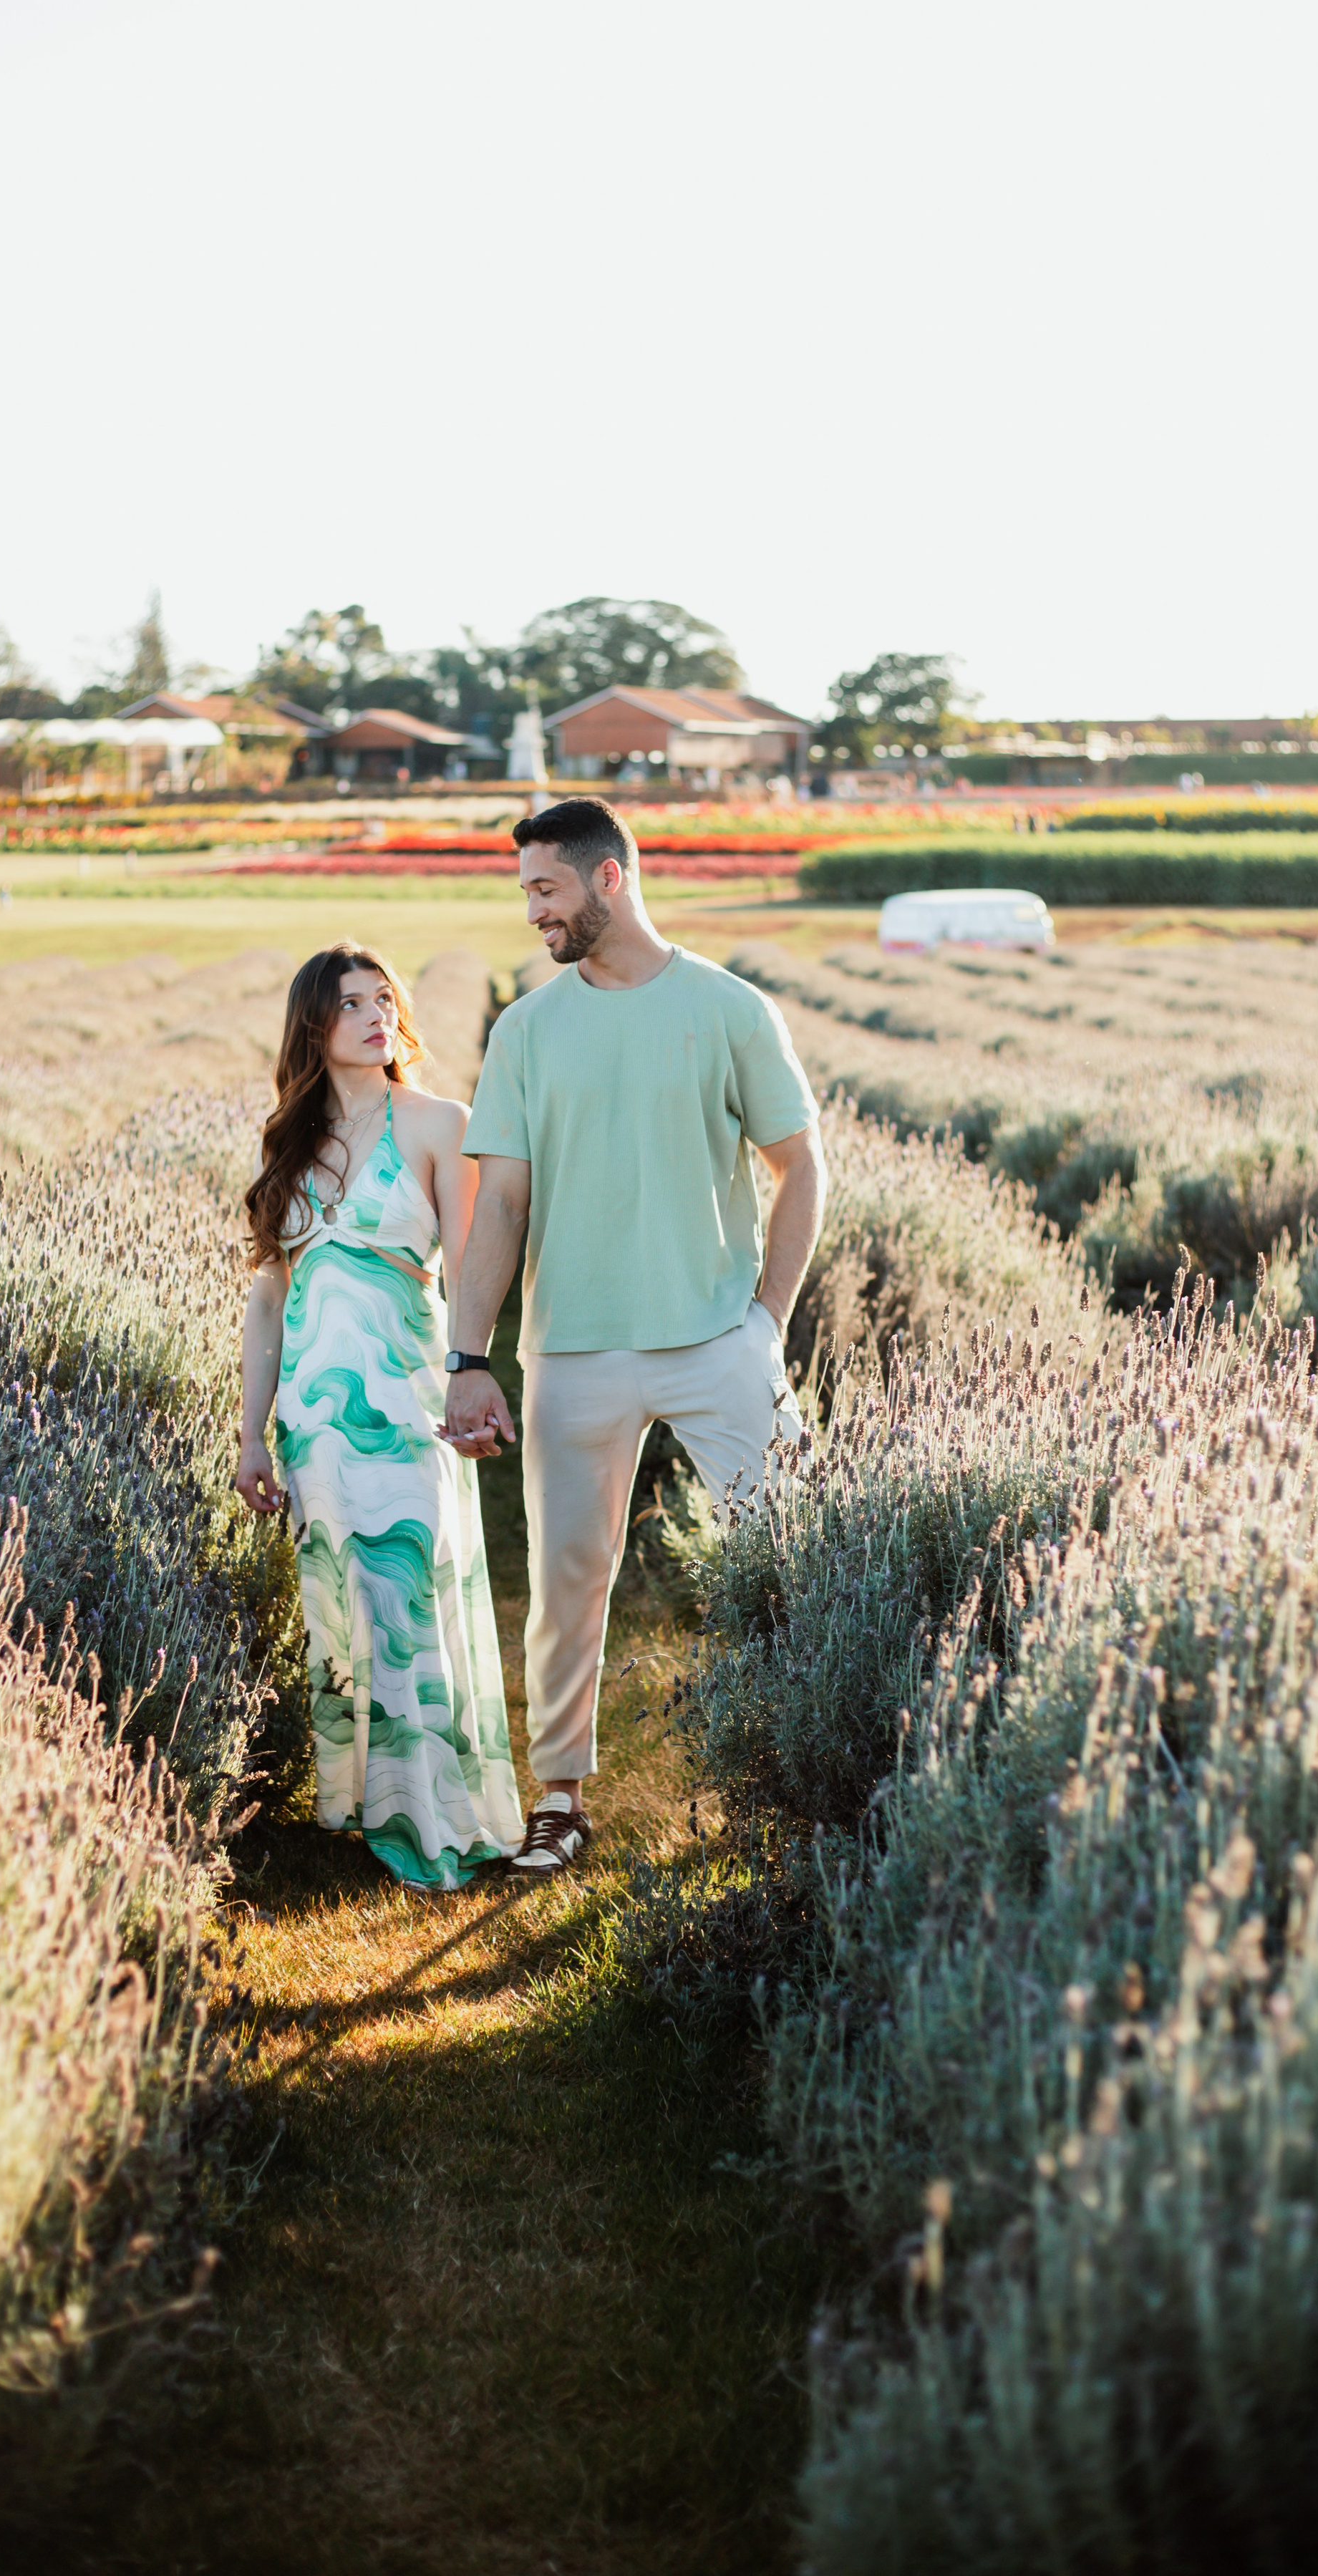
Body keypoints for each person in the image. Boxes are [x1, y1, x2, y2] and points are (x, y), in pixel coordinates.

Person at [445, 798, 824, 1877]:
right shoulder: (526, 1031)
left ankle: (810, 1773)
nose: (533, 911)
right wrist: (468, 1358)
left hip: (718, 1343)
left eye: (546, 888)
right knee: (567, 1582)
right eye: (526, 891)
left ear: (608, 878)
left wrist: (766, 1323)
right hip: (573, 1350)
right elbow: (500, 1203)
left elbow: (803, 1167)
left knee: (796, 1556)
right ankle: (559, 1802)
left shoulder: (730, 1008)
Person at [237, 944, 523, 1892]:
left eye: (384, 999)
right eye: (351, 1003)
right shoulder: (288, 1142)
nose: (376, 1016)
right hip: (311, 1420)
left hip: (404, 1401)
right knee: (347, 1603)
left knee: (407, 1598)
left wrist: (469, 1374)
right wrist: (251, 1435)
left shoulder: (440, 1122)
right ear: (313, 1026)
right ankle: (367, 1803)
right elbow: (268, 1302)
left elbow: (472, 1266)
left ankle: (433, 1821)